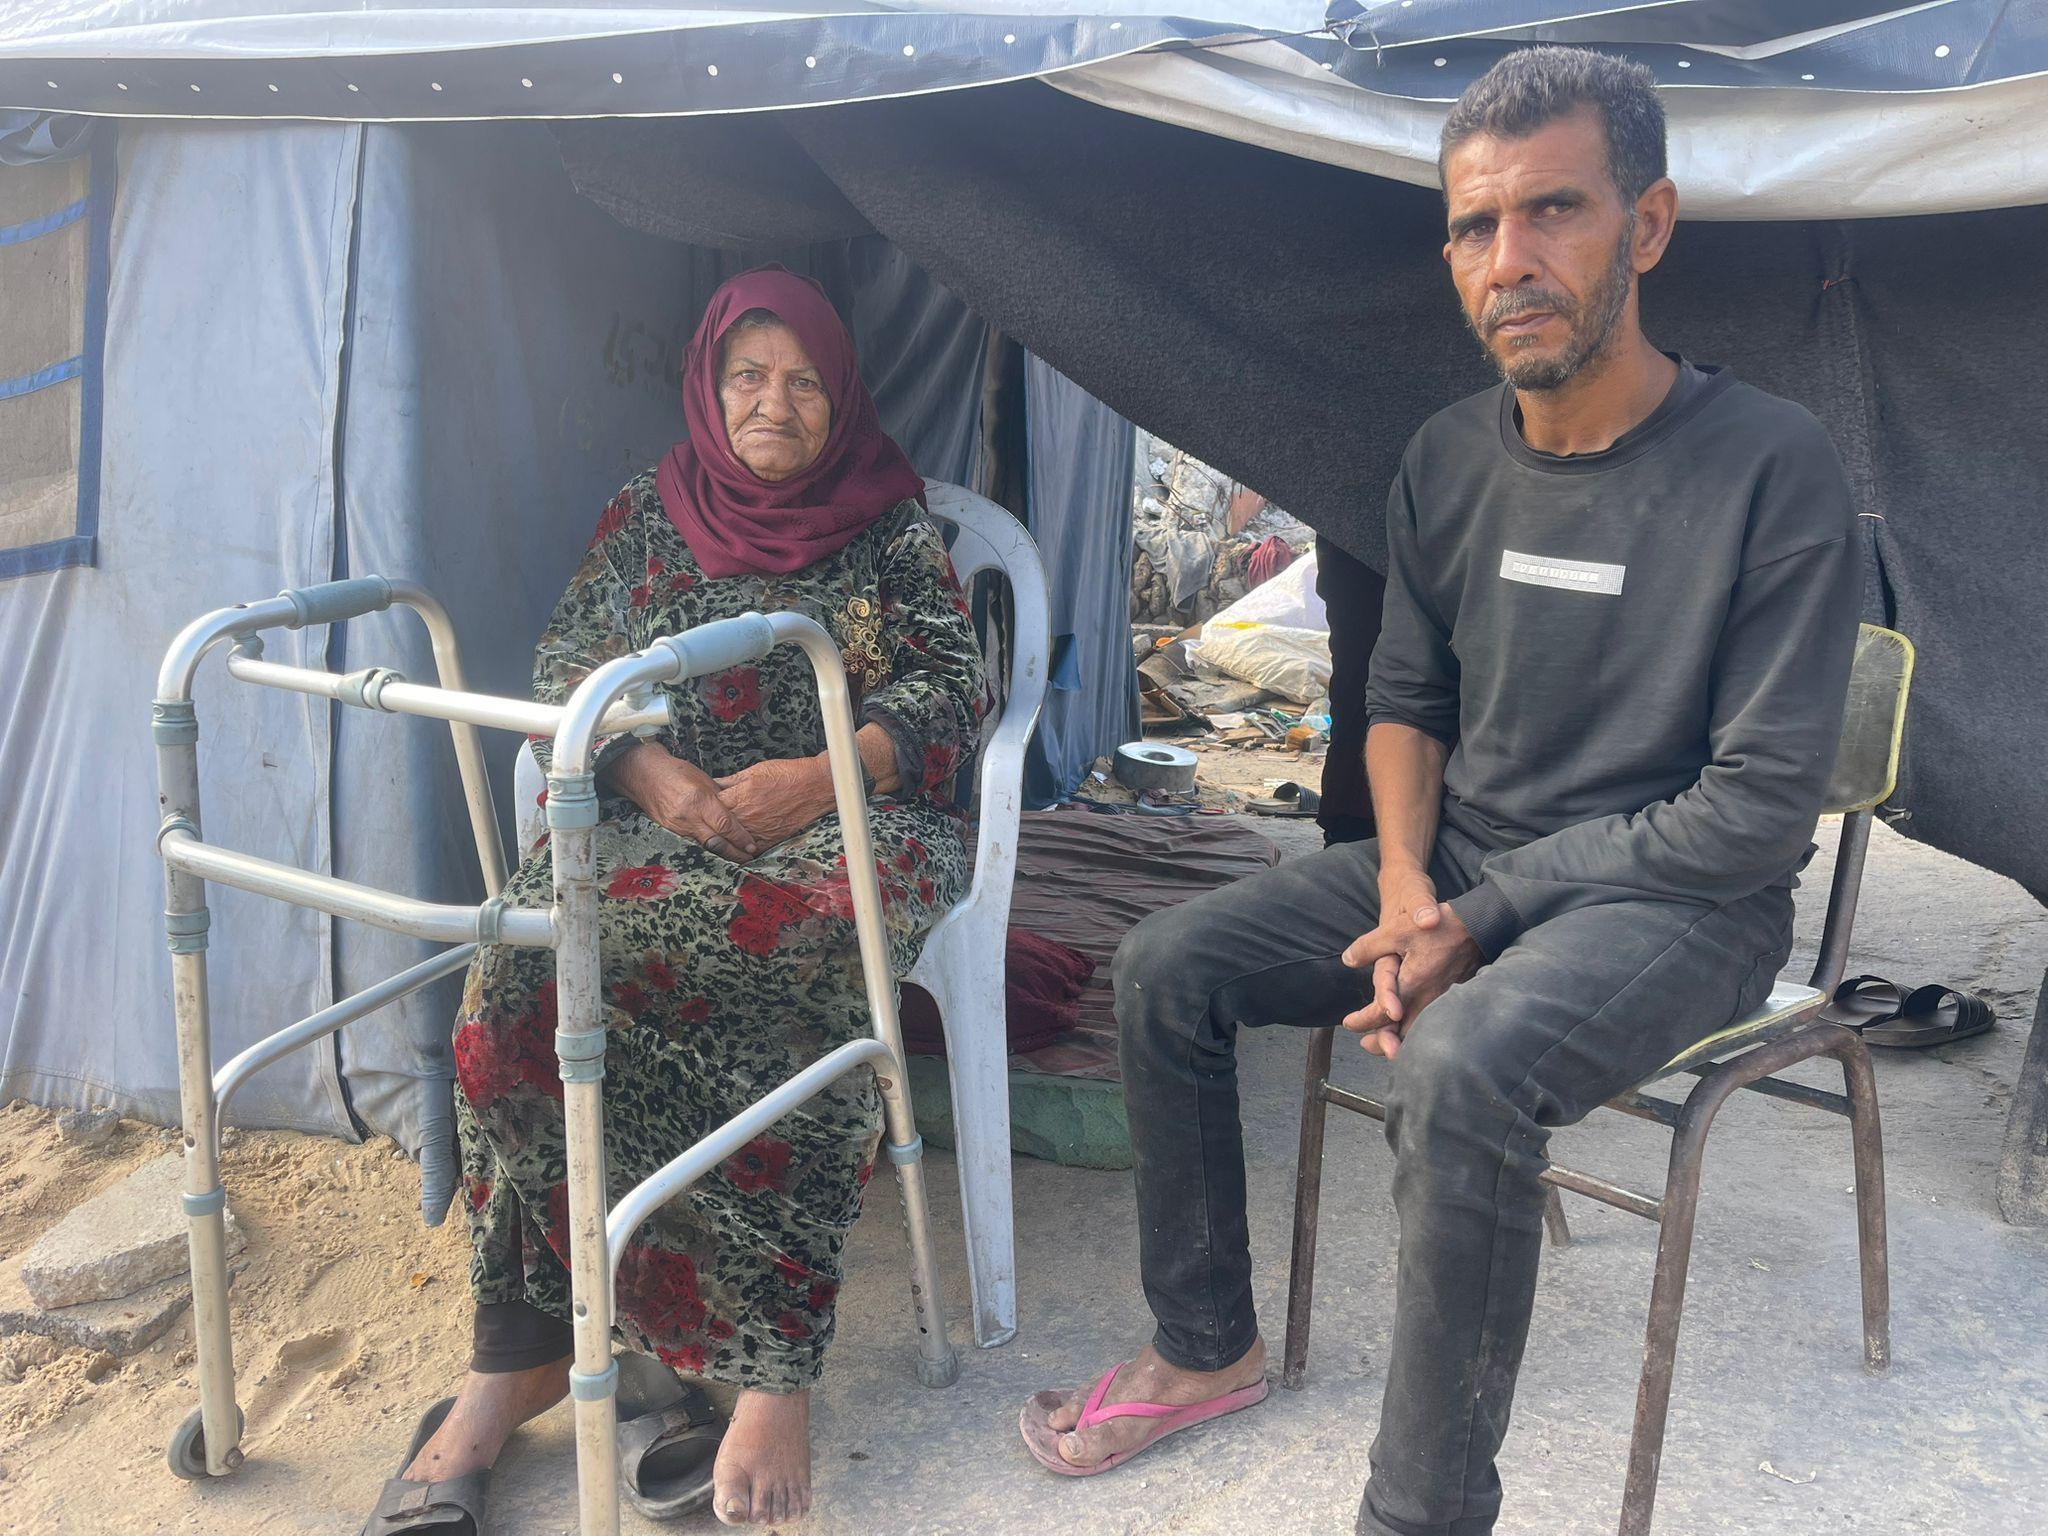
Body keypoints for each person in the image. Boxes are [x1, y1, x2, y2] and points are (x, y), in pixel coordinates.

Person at [1021, 46, 1862, 1536]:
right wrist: (1413, 886)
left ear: (1649, 225)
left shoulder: (1771, 470)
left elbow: (1753, 813)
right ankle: (1204, 1345)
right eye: (1475, 226)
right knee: (1167, 965)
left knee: (1461, 1068)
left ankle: (1420, 1515)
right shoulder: (1447, 459)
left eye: (1555, 211)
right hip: (1466, 860)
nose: (1508, 261)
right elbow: (1402, 702)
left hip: (1681, 902)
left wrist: (1481, 914)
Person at [362, 267, 986, 1535]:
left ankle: (763, 1370)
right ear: (707, 387)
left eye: (804, 381)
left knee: (782, 953)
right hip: (663, 811)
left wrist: (820, 776)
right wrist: (643, 768)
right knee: (520, 976)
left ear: (839, 398)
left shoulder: (888, 523)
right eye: (748, 378)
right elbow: (564, 666)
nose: (776, 403)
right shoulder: (647, 512)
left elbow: (948, 689)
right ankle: (524, 1347)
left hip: (853, 824)